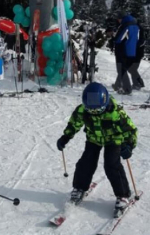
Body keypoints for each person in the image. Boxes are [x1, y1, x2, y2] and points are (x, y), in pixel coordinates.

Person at [56, 82, 138, 212]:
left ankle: (123, 195)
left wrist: (129, 145)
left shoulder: (116, 112)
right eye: (91, 110)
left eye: (98, 110)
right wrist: (65, 137)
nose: (94, 113)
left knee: (111, 165)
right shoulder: (82, 110)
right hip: (94, 138)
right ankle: (79, 187)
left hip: (114, 140)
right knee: (86, 162)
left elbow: (131, 130)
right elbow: (74, 124)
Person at [112, 11, 139, 95]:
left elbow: (119, 39)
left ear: (121, 19)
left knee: (121, 69)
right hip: (132, 51)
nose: (118, 21)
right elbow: (137, 39)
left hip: (122, 50)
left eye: (118, 19)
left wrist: (114, 37)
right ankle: (118, 85)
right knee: (123, 68)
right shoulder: (136, 26)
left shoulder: (125, 25)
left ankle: (127, 89)